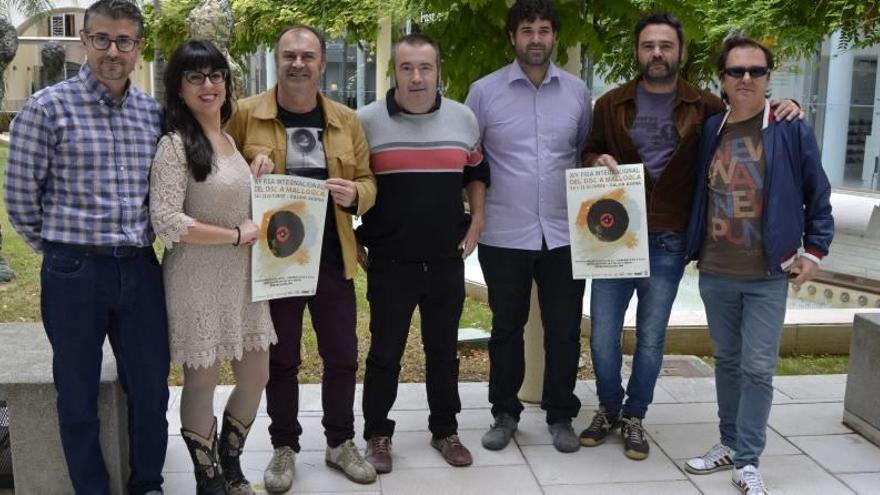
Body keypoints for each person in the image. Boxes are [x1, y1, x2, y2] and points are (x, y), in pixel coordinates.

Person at [581, 12, 803, 461]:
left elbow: (749, 115)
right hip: (614, 238)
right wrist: (595, 159)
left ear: (680, 52)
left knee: (651, 337)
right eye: (648, 45)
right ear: (637, 52)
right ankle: (608, 408)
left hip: (669, 237)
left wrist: (785, 106)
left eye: (666, 45)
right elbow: (589, 148)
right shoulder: (611, 104)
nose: (657, 53)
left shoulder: (706, 108)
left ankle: (634, 416)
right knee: (603, 336)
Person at [3, 1, 168, 493]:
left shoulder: (153, 115)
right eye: (101, 39)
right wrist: (63, 253)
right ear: (84, 40)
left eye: (123, 41)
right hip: (74, 272)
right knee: (75, 394)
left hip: (139, 269)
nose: (111, 51)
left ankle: (148, 483)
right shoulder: (46, 108)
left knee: (151, 388)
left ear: (138, 49)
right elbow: (19, 201)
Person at [226, 24, 377, 490]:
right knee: (281, 359)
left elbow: (371, 181)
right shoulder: (246, 115)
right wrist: (246, 177)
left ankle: (339, 443)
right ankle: (283, 447)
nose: (297, 63)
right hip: (275, 260)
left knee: (342, 356)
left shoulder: (346, 120)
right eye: (288, 55)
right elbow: (219, 176)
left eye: (307, 56)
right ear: (276, 60)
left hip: (332, 258)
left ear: (321, 62)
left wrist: (356, 194)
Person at [684, 37, 833, 494]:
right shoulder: (713, 129)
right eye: (735, 72)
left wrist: (814, 251)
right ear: (723, 80)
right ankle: (728, 443)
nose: (745, 79)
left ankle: (748, 459)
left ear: (769, 77)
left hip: (769, 273)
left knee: (757, 367)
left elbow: (817, 193)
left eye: (755, 71)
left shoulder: (790, 128)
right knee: (727, 362)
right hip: (717, 270)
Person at [356, 33, 488, 473]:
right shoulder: (366, 122)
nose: (416, 77)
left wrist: (478, 221)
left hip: (445, 261)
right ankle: (377, 433)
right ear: (395, 72)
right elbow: (346, 185)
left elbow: (477, 172)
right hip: (389, 262)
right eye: (407, 68)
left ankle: (445, 431)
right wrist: (353, 239)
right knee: (384, 355)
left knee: (443, 353)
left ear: (438, 71)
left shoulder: (463, 119)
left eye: (425, 68)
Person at [149, 40, 276, 495]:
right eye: (196, 77)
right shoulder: (174, 146)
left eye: (216, 75)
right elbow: (166, 221)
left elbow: (234, 201)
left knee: (256, 374)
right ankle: (208, 477)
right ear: (178, 89)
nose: (209, 85)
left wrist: (258, 174)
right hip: (196, 276)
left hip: (242, 279)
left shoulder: (228, 139)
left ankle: (230, 458)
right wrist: (235, 236)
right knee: (201, 379)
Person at [465, 0, 590, 453]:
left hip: (564, 233)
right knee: (505, 328)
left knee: (563, 329)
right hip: (504, 233)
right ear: (512, 37)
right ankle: (505, 412)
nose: (535, 39)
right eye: (526, 30)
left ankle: (560, 415)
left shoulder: (578, 92)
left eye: (543, 30)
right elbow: (471, 159)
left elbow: (581, 153)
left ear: (554, 36)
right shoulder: (483, 92)